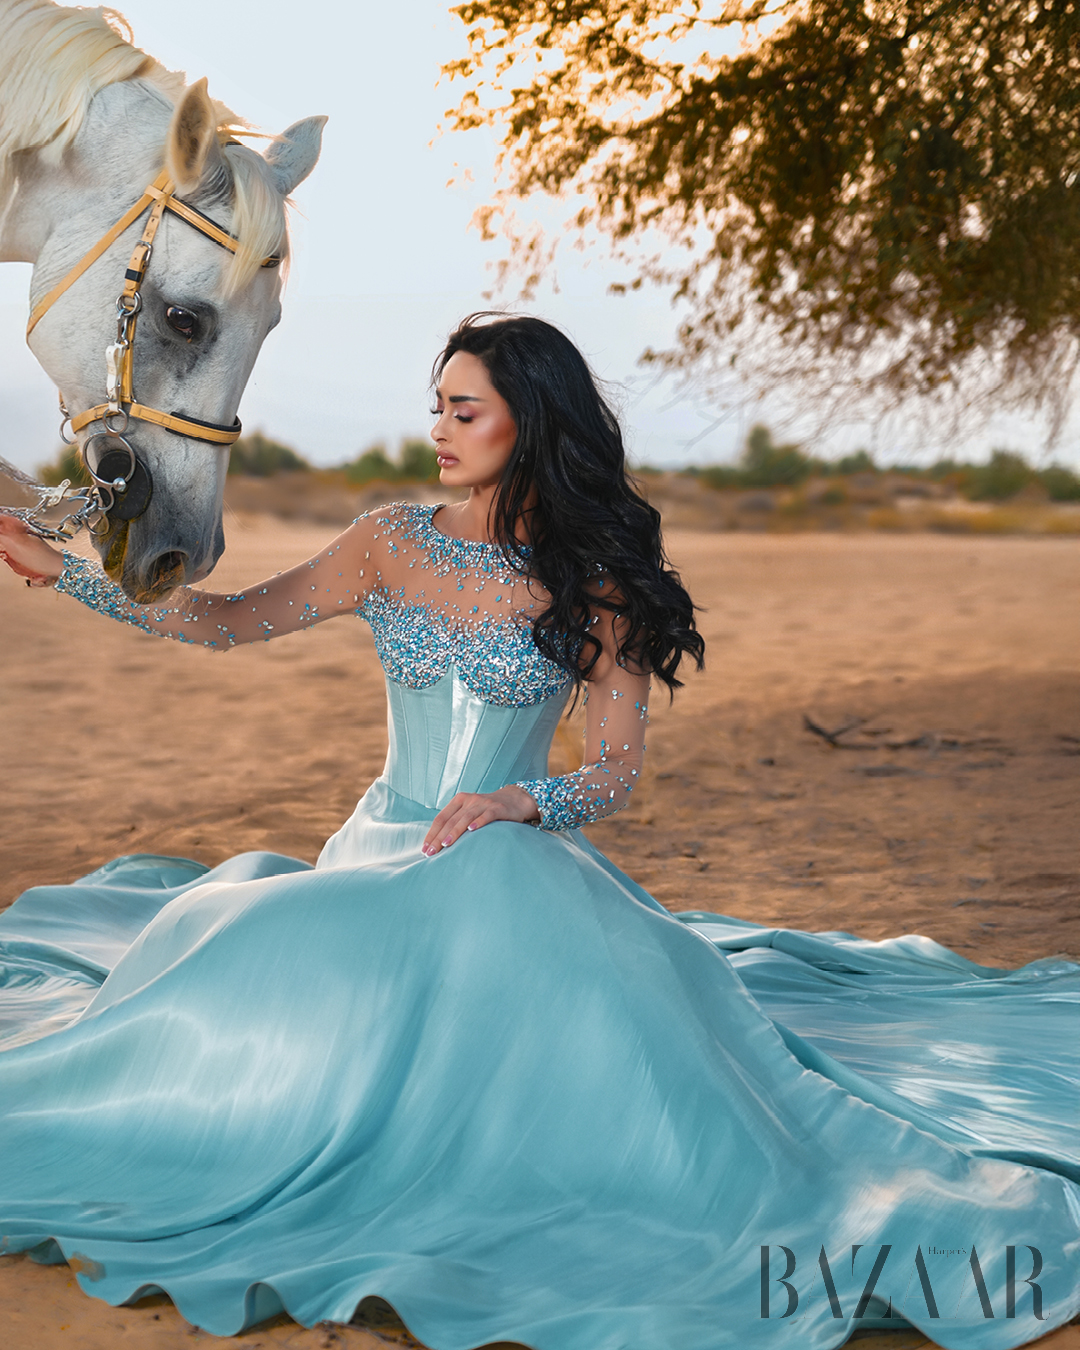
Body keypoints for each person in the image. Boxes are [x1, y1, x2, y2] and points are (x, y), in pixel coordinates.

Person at [0, 314, 1077, 1349]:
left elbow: (611, 770)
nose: (439, 429)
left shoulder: (597, 578)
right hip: (382, 849)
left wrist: (525, 801)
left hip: (507, 861)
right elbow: (230, 622)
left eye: (466, 410)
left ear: (531, 421)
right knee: (224, 941)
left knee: (577, 1056)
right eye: (438, 407)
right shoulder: (387, 541)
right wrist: (82, 585)